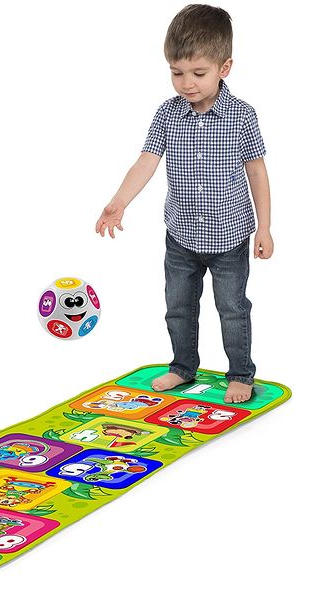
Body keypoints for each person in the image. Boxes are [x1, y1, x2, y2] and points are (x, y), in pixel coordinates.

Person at [95, 4, 273, 403]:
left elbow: (257, 172)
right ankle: (182, 366)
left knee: (232, 309)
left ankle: (240, 374)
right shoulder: (167, 113)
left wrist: (265, 227)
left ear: (224, 68)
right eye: (177, 73)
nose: (186, 83)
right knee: (178, 307)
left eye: (198, 73)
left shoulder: (242, 116)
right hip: (181, 236)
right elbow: (147, 161)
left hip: (229, 238)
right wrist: (120, 201)